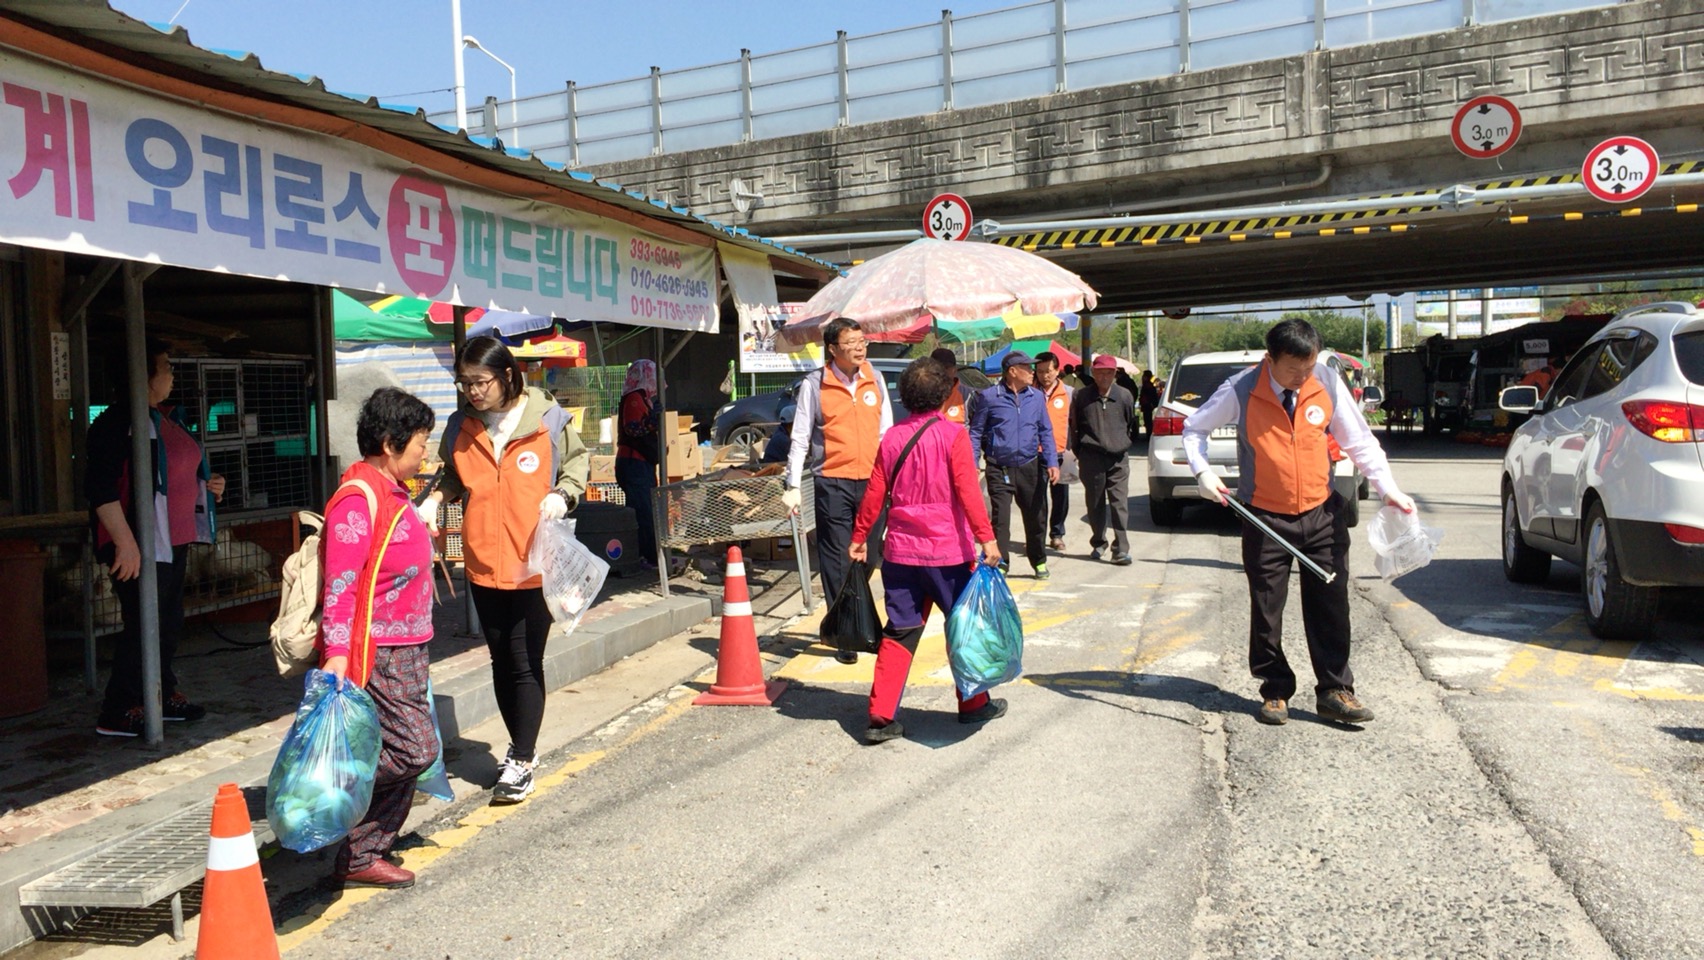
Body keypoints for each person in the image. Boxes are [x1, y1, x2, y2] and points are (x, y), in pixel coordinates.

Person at [1182, 319, 1415, 727]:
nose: (1301, 378)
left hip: (1322, 513)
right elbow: (1193, 429)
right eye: (1292, 370)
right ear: (1268, 359)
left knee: (1331, 604)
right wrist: (1203, 473)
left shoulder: (1324, 381)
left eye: (1307, 368)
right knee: (1267, 608)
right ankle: (1274, 690)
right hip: (1265, 517)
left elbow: (1358, 439)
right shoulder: (1241, 389)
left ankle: (1334, 689)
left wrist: (1387, 487)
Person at [427, 336, 589, 803]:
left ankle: (521, 757)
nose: (473, 391)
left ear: (507, 376)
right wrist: (436, 500)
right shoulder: (461, 424)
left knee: (524, 660)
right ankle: (520, 749)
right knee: (501, 660)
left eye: (480, 382)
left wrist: (565, 493)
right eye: (465, 383)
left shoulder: (548, 418)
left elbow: (577, 464)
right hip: (481, 561)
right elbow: (453, 475)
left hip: (534, 562)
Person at [849, 358, 1005, 744]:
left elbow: (874, 494)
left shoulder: (891, 438)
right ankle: (972, 704)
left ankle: (880, 716)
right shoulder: (952, 436)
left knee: (900, 631)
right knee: (962, 628)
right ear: (944, 393)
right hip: (948, 554)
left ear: (905, 395)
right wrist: (987, 538)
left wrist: (858, 538)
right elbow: (969, 492)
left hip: (900, 553)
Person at [319, 387, 438, 889]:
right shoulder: (358, 498)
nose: (425, 452)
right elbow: (340, 586)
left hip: (408, 646)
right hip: (379, 652)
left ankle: (363, 852)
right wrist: (338, 653)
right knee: (414, 749)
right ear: (390, 443)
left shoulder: (392, 491)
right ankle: (338, 794)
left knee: (412, 750)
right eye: (419, 443)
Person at [87, 339, 225, 737]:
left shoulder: (164, 417)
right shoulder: (116, 423)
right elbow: (101, 488)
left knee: (167, 621)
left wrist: (209, 485)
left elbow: (181, 472)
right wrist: (126, 543)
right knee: (143, 623)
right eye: (165, 366)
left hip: (172, 540)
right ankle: (119, 707)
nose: (171, 374)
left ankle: (159, 692)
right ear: (143, 375)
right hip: (139, 544)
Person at [783, 317, 893, 604]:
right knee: (837, 557)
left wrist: (891, 476)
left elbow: (886, 434)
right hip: (832, 481)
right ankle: (843, 628)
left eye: (862, 341)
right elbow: (800, 436)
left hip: (872, 481)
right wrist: (792, 484)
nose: (859, 348)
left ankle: (853, 607)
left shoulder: (875, 378)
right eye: (851, 343)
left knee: (869, 552)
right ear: (833, 348)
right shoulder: (815, 384)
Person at [969, 352, 1059, 579]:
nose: (1032, 372)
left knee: (1036, 517)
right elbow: (976, 431)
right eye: (1027, 367)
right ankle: (1002, 562)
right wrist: (973, 462)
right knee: (1000, 520)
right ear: (1012, 371)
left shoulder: (1037, 397)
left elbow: (1045, 431)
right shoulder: (989, 396)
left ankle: (1038, 560)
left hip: (1030, 466)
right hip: (999, 468)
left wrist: (1051, 461)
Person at [1070, 355, 1137, 565]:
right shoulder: (1081, 396)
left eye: (1109, 372)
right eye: (1100, 372)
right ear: (1093, 373)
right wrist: (1082, 453)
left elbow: (1130, 425)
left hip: (1118, 458)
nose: (1104, 377)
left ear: (1115, 374)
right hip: (1091, 458)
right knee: (1095, 503)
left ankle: (1121, 549)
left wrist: (1122, 444)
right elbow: (1075, 427)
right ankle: (1099, 542)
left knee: (1119, 503)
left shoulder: (1125, 396)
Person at [614, 359, 662, 569]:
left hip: (640, 463)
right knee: (642, 512)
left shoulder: (644, 398)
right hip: (634, 463)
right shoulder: (634, 398)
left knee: (646, 509)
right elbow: (633, 429)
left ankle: (646, 554)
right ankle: (644, 556)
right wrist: (653, 419)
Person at [1033, 351, 1073, 552]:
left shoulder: (1070, 393)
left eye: (1048, 371)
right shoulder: (1029, 392)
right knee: (1037, 498)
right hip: (1036, 453)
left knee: (1061, 497)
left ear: (1057, 370)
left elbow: (1075, 423)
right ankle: (1038, 536)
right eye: (1040, 371)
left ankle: (1057, 534)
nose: (1044, 376)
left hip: (1061, 452)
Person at [930, 347, 972, 425]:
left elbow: (976, 430)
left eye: (946, 368)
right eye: (937, 369)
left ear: (954, 370)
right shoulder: (923, 394)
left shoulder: (968, 395)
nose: (941, 372)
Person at [1139, 370, 1162, 439]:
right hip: (1148, 405)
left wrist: (1150, 403)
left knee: (1148, 421)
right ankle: (1149, 434)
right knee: (1147, 420)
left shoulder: (1148, 386)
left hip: (1148, 405)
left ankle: (1149, 435)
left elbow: (1150, 396)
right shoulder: (1149, 385)